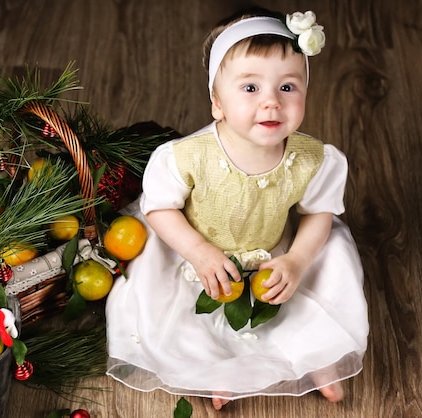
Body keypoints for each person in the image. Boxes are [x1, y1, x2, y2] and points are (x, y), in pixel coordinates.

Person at [104, 6, 369, 411]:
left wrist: (297, 260)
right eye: (250, 88)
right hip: (198, 256)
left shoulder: (314, 158)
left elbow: (318, 214)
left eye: (287, 87)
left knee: (325, 269)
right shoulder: (186, 156)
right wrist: (199, 252)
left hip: (273, 253)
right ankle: (219, 369)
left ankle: (319, 356)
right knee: (181, 316)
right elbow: (160, 209)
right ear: (217, 102)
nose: (271, 104)